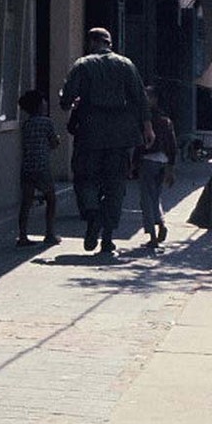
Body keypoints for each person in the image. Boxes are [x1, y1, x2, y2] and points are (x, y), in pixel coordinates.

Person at [60, 28, 154, 256]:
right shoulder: (126, 64)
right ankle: (107, 238)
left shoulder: (82, 64)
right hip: (121, 137)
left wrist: (69, 102)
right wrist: (147, 127)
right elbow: (140, 98)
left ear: (92, 42)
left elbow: (67, 98)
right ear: (109, 43)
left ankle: (92, 217)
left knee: (86, 178)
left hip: (90, 134)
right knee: (115, 186)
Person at [17, 89, 61, 247]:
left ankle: (22, 235)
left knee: (26, 202)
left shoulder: (26, 124)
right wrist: (57, 140)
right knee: (51, 199)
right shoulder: (46, 122)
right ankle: (49, 233)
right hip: (42, 166)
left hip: (27, 166)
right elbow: (53, 143)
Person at [134, 87, 177, 249]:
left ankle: (152, 235)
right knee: (155, 196)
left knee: (146, 198)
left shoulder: (146, 120)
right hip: (162, 161)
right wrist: (171, 166)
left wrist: (134, 162)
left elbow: (139, 144)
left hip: (148, 161)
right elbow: (172, 145)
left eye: (147, 97)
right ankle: (161, 224)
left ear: (153, 99)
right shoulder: (166, 120)